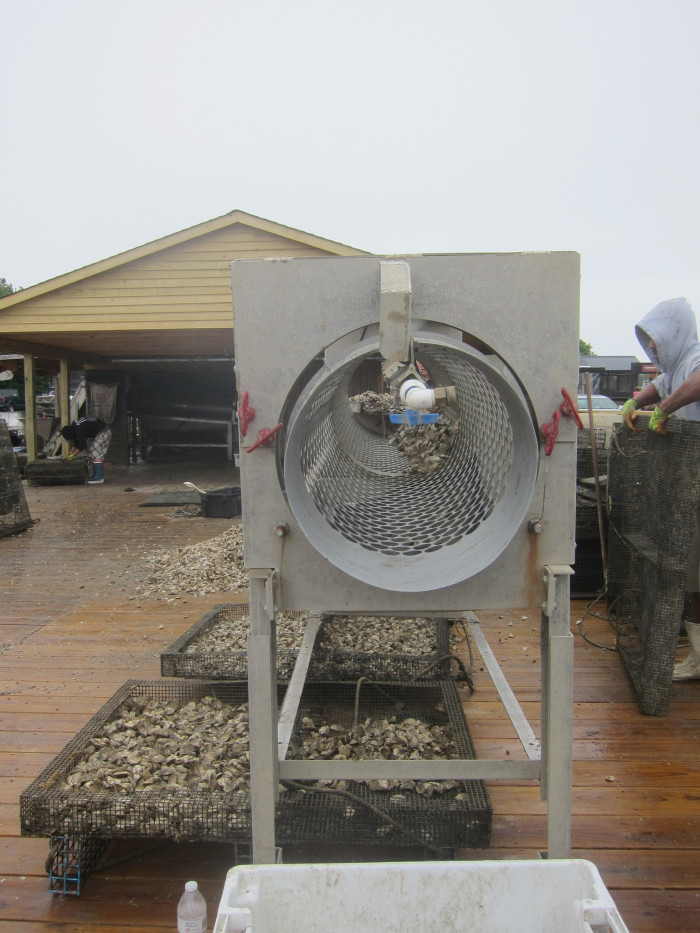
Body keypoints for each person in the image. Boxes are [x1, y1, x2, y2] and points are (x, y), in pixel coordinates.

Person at [621, 297, 700, 679]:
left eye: (655, 339)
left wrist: (666, 409)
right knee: (690, 572)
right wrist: (634, 402)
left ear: (674, 332)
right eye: (647, 341)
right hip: (687, 485)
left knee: (695, 572)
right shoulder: (674, 368)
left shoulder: (696, 358)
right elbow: (657, 385)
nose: (651, 347)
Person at [60, 417, 112, 485]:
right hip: (104, 430)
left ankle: (98, 478)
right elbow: (76, 443)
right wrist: (70, 453)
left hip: (103, 432)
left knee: (95, 453)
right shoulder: (75, 427)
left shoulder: (79, 430)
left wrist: (72, 455)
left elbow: (82, 445)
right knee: (93, 453)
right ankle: (97, 476)